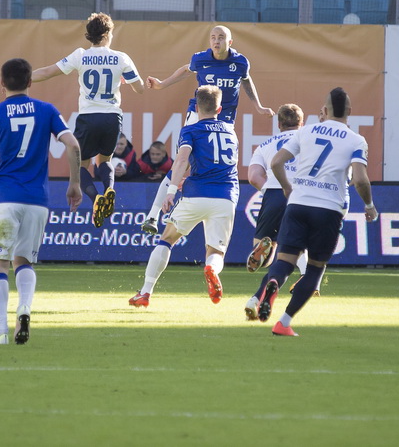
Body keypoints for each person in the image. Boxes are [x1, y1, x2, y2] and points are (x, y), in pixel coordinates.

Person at [0, 58, 82, 346]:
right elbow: (73, 144)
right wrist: (74, 183)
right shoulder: (47, 110)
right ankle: (25, 308)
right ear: (31, 82)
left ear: (1, 83)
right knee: (25, 261)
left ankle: (1, 332)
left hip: (5, 200)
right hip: (37, 201)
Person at [246, 88, 377, 336]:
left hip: (298, 204)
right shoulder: (356, 140)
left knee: (284, 260)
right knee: (315, 268)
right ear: (349, 112)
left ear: (324, 111)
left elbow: (275, 163)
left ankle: (272, 283)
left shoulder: (307, 131)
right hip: (328, 209)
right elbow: (360, 180)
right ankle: (283, 322)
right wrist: (369, 206)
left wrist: (287, 188)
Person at [140, 24, 274, 235]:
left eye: (221, 37)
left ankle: (207, 206)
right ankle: (153, 215)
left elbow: (246, 80)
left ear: (230, 42)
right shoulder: (200, 59)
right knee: (181, 164)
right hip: (198, 116)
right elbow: (186, 69)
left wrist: (257, 105)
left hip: (225, 120)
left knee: (218, 164)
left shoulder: (240, 62)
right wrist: (162, 84)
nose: (216, 41)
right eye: (213, 37)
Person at [128, 85, 239, 308]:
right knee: (216, 250)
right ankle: (211, 269)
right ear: (219, 109)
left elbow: (181, 161)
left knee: (167, 239)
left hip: (196, 195)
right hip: (226, 196)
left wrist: (170, 192)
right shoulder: (230, 130)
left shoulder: (191, 130)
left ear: (197, 108)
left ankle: (145, 292)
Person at [31, 13, 145, 228]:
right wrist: (125, 81)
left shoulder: (80, 55)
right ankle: (109, 188)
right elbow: (139, 89)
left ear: (89, 35)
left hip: (88, 116)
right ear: (109, 33)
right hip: (112, 116)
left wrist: (24, 77)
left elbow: (48, 72)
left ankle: (96, 199)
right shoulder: (121, 58)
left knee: (80, 165)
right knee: (105, 161)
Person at [245, 103, 304, 278]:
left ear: (279, 124)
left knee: (267, 250)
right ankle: (305, 276)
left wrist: (270, 191)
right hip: (303, 193)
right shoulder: (309, 139)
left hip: (274, 193)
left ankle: (266, 250)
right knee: (301, 238)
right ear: (301, 122)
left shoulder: (265, 145)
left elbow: (254, 177)